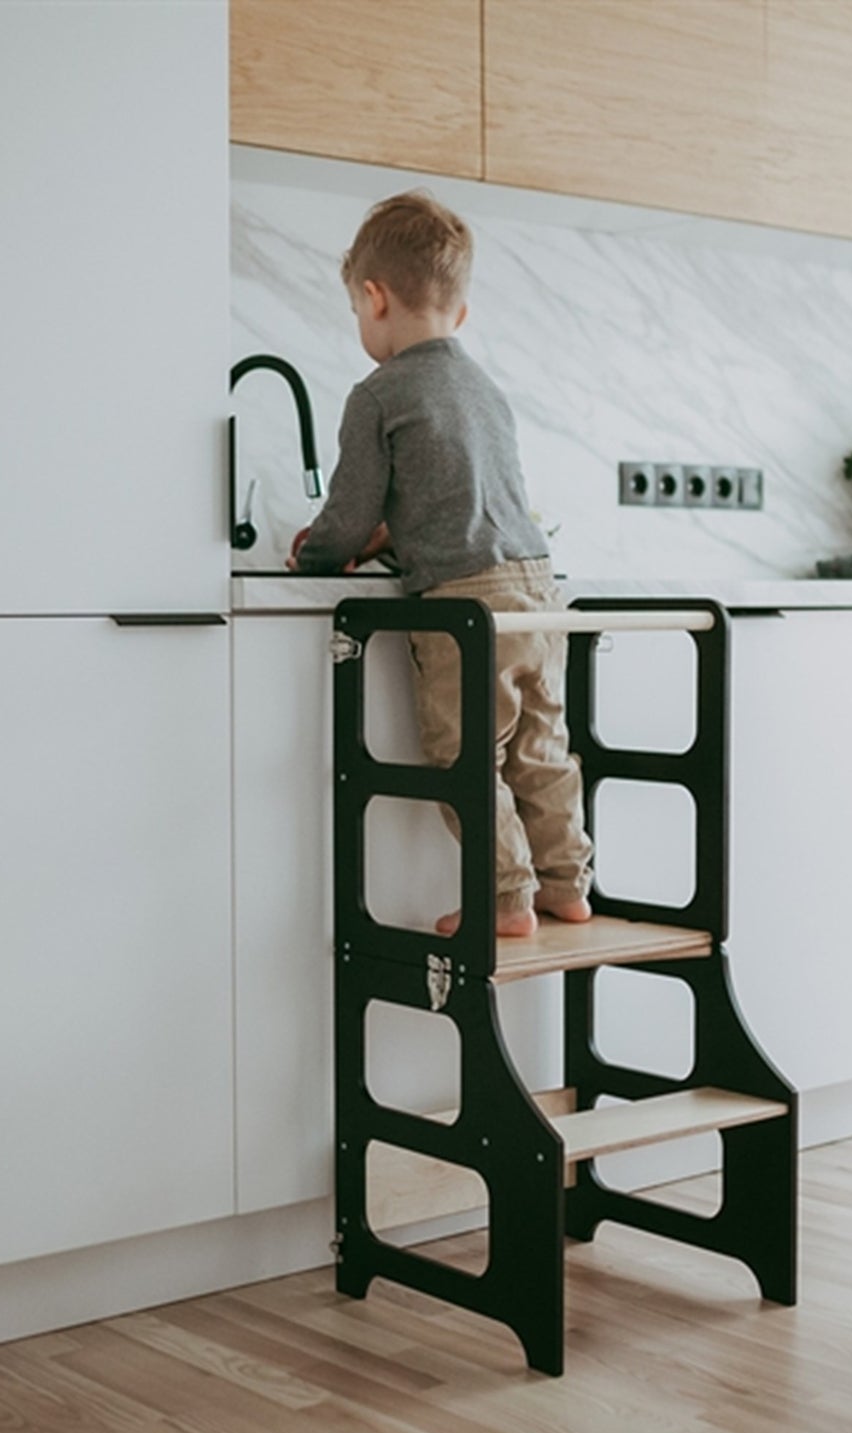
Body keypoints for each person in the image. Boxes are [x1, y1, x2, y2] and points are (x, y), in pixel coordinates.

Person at [288, 190, 593, 939]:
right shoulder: (486, 390)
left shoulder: (379, 393)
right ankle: (567, 885)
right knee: (542, 749)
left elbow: (348, 514)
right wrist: (386, 537)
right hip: (539, 589)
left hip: (468, 601)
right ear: (459, 312)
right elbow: (460, 499)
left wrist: (319, 555)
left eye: (357, 311)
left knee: (467, 758)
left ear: (374, 298)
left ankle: (505, 897)